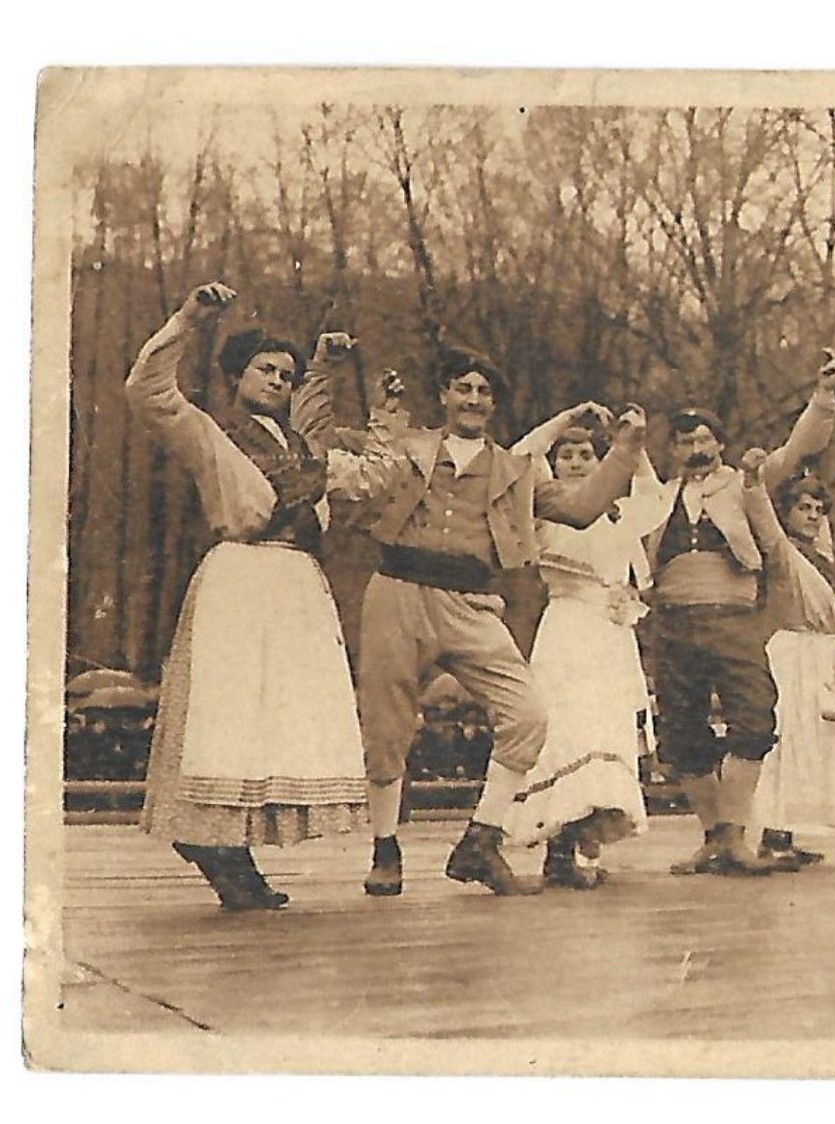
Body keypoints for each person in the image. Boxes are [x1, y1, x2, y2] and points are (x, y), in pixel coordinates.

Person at [294, 337, 649, 896]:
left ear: (494, 405)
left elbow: (580, 510)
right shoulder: (405, 446)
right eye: (463, 388)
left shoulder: (514, 469)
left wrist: (625, 449)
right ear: (444, 395)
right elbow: (314, 445)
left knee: (528, 713)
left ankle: (480, 841)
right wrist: (320, 370)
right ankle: (385, 850)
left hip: (472, 601)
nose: (474, 399)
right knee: (386, 729)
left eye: (484, 392)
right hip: (398, 588)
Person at [128, 283, 382, 910]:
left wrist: (347, 390)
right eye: (265, 369)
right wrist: (189, 320)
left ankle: (230, 850)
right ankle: (214, 842)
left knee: (274, 720)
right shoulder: (212, 432)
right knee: (229, 715)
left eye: (287, 374)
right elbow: (149, 392)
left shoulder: (304, 448)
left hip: (296, 583)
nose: (277, 379)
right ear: (236, 376)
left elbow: (368, 482)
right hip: (241, 579)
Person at [652, 352, 835, 876]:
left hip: (733, 618)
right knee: (682, 731)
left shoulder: (743, 484)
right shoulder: (655, 495)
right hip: (672, 621)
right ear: (672, 448)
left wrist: (823, 397)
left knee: (755, 716)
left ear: (719, 443)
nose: (696, 450)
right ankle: (714, 838)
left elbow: (797, 448)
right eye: (685, 442)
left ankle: (738, 836)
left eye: (704, 440)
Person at [499, 406, 670, 888]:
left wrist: (630, 442)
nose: (576, 462)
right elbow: (519, 457)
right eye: (567, 454)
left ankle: (587, 848)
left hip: (611, 638)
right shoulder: (547, 510)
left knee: (606, 736)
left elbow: (655, 497)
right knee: (569, 734)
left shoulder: (619, 511)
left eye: (585, 454)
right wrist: (564, 418)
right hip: (567, 633)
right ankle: (558, 848)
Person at [740, 456, 835, 868]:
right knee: (789, 742)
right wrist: (753, 481)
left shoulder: (822, 557)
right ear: (786, 511)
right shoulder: (783, 553)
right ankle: (772, 835)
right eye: (804, 508)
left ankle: (788, 832)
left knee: (817, 745)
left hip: (825, 653)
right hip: (794, 653)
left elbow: (825, 545)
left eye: (819, 509)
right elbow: (762, 518)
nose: (814, 516)